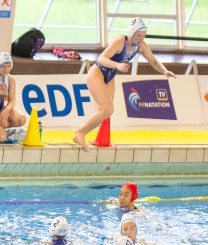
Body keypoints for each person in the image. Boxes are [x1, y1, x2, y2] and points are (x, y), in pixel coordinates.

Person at [73, 17, 177, 152]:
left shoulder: (141, 46)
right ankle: (80, 132)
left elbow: (154, 61)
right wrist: (117, 65)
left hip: (109, 77)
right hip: (97, 73)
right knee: (108, 109)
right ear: (132, 32)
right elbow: (101, 58)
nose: (140, 39)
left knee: (104, 113)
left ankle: (79, 136)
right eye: (138, 35)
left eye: (143, 36)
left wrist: (164, 71)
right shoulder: (119, 41)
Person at [0, 52, 26, 142]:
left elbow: (12, 100)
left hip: (0, 110)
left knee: (21, 119)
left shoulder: (11, 79)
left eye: (8, 66)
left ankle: (0, 129)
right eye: (3, 66)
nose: (6, 69)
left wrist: (7, 110)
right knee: (1, 138)